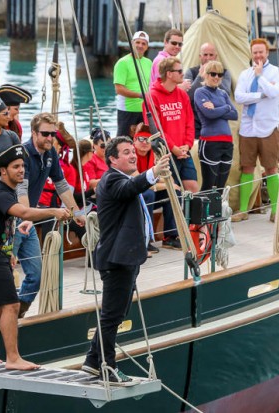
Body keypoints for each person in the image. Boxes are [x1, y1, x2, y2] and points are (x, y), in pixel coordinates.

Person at [0, 144, 71, 370]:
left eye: (23, 166)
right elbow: (23, 212)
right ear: (3, 171)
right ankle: (13, 358)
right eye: (16, 166)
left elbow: (5, 223)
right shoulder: (1, 193)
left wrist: (10, 251)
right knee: (12, 305)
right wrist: (54, 211)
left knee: (1, 306)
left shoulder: (8, 191)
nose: (21, 170)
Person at [81, 136, 171, 384]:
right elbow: (129, 189)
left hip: (124, 259)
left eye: (133, 151)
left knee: (117, 313)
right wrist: (153, 172)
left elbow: (132, 187)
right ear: (112, 159)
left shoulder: (120, 178)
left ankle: (92, 360)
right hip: (117, 260)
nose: (133, 155)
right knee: (111, 316)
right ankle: (107, 367)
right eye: (126, 152)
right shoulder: (113, 180)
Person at [17, 112, 85, 317]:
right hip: (12, 219)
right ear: (34, 132)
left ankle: (18, 311)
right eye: (45, 134)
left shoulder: (50, 153)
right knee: (6, 272)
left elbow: (61, 184)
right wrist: (27, 216)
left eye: (53, 134)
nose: (50, 138)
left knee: (37, 275)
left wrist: (76, 213)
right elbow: (21, 190)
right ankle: (5, 315)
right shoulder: (23, 154)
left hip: (27, 218)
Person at [234, 38, 279, 222]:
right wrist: (260, 95)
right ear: (251, 53)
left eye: (261, 52)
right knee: (247, 167)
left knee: (271, 168)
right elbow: (239, 97)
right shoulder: (244, 74)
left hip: (268, 127)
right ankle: (243, 210)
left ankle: (275, 210)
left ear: (267, 53)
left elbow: (274, 93)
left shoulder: (277, 72)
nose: (258, 55)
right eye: (255, 52)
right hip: (248, 128)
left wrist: (260, 77)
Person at [145, 57, 198, 195]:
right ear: (169, 73)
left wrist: (187, 145)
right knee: (173, 192)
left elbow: (189, 122)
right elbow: (155, 129)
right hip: (166, 153)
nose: (183, 74)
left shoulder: (182, 95)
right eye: (179, 71)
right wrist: (174, 148)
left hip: (184, 151)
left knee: (193, 188)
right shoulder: (152, 97)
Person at [133, 124, 179, 252]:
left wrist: (166, 184)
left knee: (173, 193)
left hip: (149, 190)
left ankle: (170, 236)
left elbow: (169, 178)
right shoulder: (131, 155)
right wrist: (164, 183)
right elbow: (139, 182)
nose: (144, 143)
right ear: (134, 140)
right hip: (133, 194)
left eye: (148, 139)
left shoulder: (155, 155)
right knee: (149, 194)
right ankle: (144, 239)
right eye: (141, 139)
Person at [194, 60, 238, 191]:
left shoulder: (223, 93)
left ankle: (217, 206)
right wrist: (226, 107)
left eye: (220, 74)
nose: (216, 77)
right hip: (210, 143)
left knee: (220, 187)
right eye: (213, 74)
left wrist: (217, 108)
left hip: (227, 143)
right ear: (206, 74)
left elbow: (235, 114)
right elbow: (209, 114)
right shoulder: (200, 92)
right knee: (209, 185)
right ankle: (203, 206)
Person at [185, 42, 232, 140]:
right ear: (200, 56)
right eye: (205, 55)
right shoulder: (191, 72)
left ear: (216, 57)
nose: (208, 58)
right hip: (196, 124)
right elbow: (187, 97)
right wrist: (200, 77)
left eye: (211, 55)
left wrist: (213, 76)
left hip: (217, 123)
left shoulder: (224, 72)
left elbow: (226, 94)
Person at [113, 31, 152, 137]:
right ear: (132, 43)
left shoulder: (149, 63)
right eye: (137, 42)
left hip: (145, 110)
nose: (140, 45)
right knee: (124, 141)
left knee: (144, 140)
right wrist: (140, 95)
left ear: (147, 47)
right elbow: (119, 89)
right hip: (127, 110)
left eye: (143, 43)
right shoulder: (123, 63)